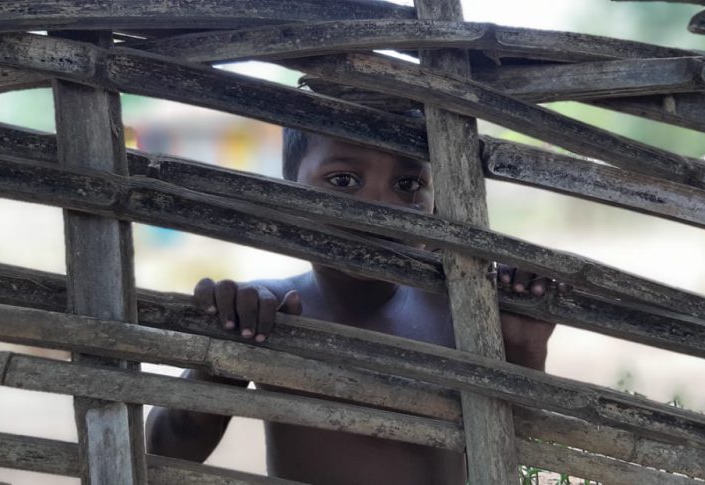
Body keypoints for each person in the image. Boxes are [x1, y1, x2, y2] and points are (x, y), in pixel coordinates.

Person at [145, 126, 558, 485]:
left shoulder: (460, 311)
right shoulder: (268, 309)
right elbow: (163, 451)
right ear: (290, 192)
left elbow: (517, 442)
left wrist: (524, 346)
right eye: (343, 180)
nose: (379, 206)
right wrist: (217, 361)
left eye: (408, 186)